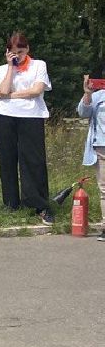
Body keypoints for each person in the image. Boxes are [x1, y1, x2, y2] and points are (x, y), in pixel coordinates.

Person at [0, 31, 54, 223]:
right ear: (8, 52)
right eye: (14, 52)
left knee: (34, 161)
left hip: (31, 116)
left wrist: (6, 96)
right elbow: (4, 88)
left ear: (28, 49)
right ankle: (11, 203)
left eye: (22, 51)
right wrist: (11, 67)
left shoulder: (38, 65)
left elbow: (36, 91)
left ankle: (38, 204)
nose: (19, 55)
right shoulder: (1, 70)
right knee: (7, 160)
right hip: (5, 116)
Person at [78, 71, 105, 240]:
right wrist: (87, 94)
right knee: (104, 189)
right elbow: (83, 112)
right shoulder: (98, 96)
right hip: (102, 146)